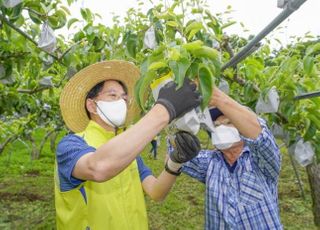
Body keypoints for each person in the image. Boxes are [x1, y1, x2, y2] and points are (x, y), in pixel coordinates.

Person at [55, 60, 201, 229]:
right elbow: (98, 167)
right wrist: (165, 109)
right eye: (112, 96)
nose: (121, 102)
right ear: (91, 105)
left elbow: (156, 192)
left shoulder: (129, 154)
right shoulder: (70, 145)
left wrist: (175, 162)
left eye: (124, 98)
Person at [168, 87, 282, 229]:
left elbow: (261, 136)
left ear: (242, 128)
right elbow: (176, 150)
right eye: (216, 125)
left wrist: (217, 98)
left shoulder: (260, 161)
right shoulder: (210, 163)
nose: (220, 128)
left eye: (228, 123)